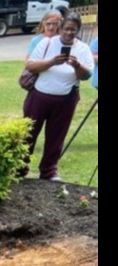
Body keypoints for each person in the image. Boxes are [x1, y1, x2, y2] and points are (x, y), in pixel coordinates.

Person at [21, 12, 94, 181]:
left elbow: (86, 75)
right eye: (67, 29)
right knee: (28, 134)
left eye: (73, 30)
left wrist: (77, 65)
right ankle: (20, 167)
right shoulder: (46, 43)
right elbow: (31, 66)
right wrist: (52, 62)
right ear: (60, 28)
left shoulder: (82, 48)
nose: (69, 33)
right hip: (39, 97)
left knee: (56, 136)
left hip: (66, 99)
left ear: (78, 31)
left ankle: (48, 171)